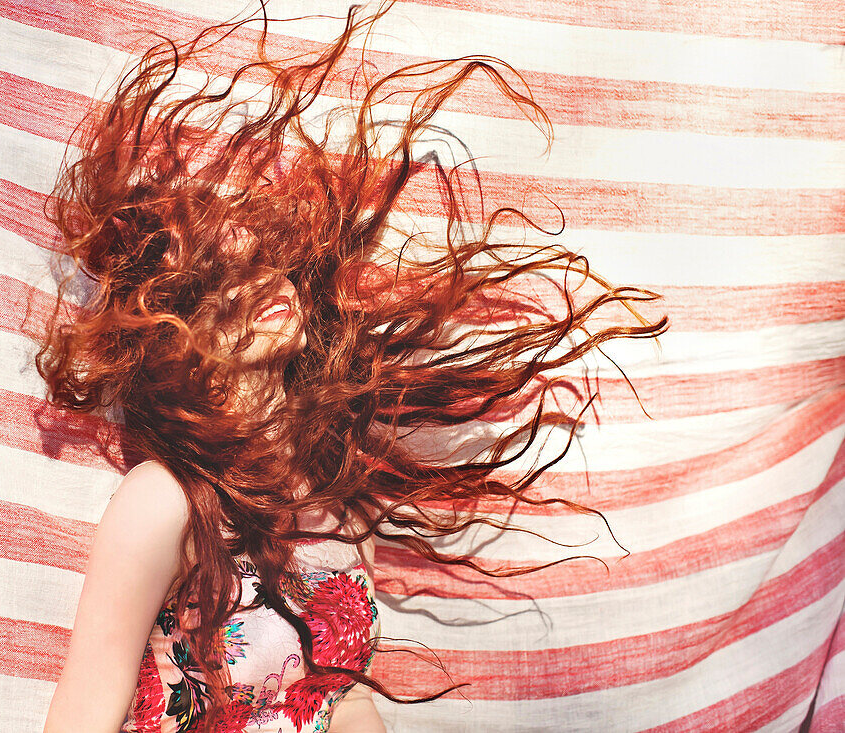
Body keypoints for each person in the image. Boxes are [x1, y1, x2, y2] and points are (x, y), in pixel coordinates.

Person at [37, 5, 666, 732]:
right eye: (223, 283)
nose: (266, 286)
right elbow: (87, 701)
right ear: (174, 336)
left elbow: (344, 696)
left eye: (267, 264)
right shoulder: (165, 499)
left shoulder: (337, 506)